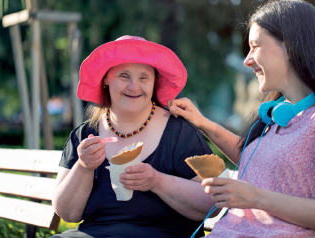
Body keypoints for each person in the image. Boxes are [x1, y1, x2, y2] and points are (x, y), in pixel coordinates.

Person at [168, 1, 315, 237]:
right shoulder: (278, 114)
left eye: (255, 46)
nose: (247, 60)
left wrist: (256, 197)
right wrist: (203, 123)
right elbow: (259, 164)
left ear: (290, 46)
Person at [51, 35, 215, 238]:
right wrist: (83, 168)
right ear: (105, 79)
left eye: (143, 78)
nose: (134, 86)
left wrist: (157, 182)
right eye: (124, 76)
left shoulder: (180, 133)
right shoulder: (85, 134)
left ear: (155, 82)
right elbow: (67, 212)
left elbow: (213, 201)